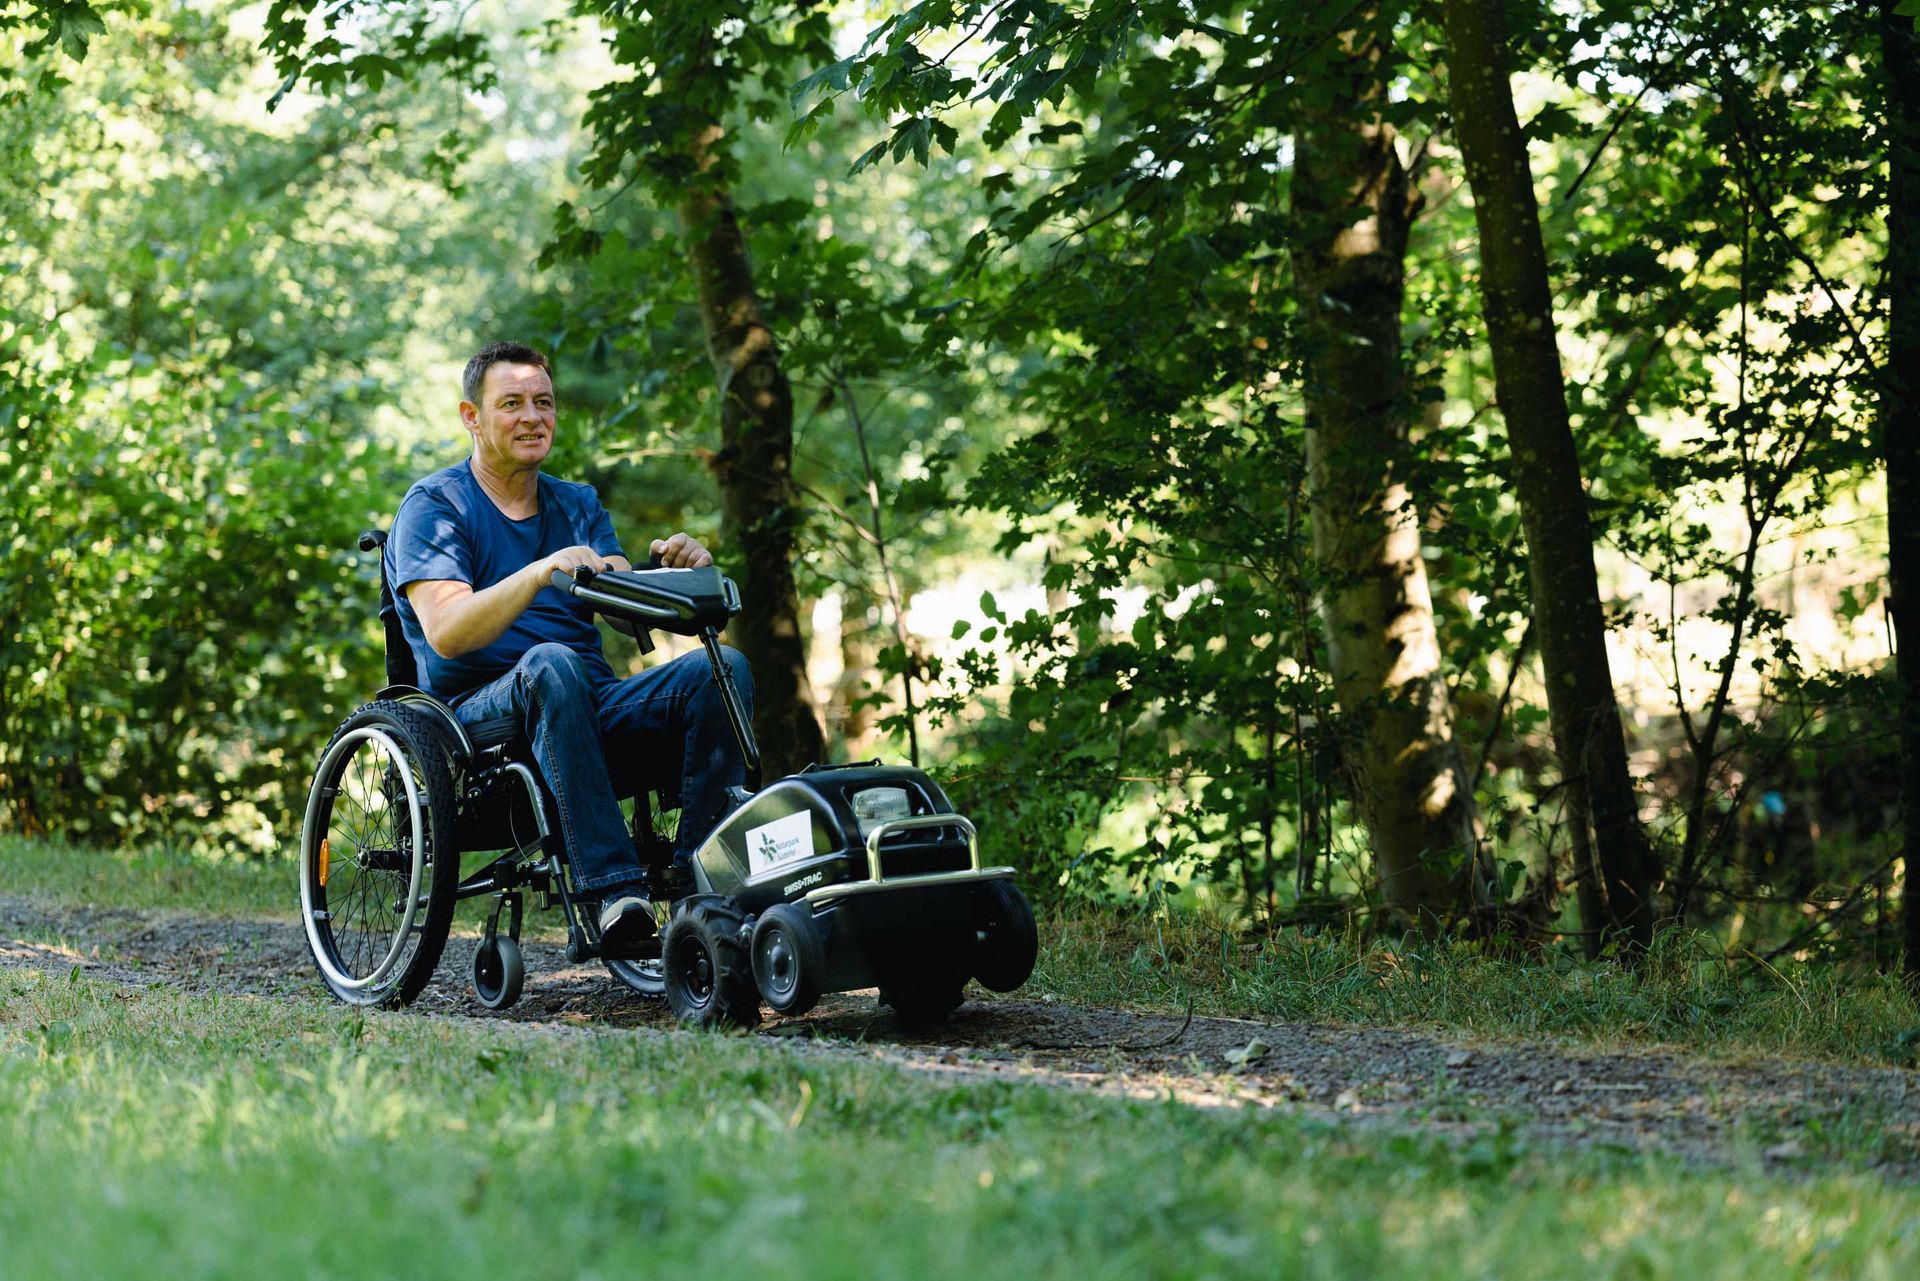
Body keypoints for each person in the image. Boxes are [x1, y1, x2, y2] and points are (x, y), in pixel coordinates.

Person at [385, 340, 754, 952]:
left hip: (587, 706)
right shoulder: (436, 507)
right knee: (551, 663)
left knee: (723, 670)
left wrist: (677, 574)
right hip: (478, 723)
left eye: (544, 402)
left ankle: (703, 889)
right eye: (512, 403)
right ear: (471, 416)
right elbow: (446, 635)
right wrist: (537, 572)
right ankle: (614, 890)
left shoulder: (577, 504)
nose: (533, 417)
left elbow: (617, 600)